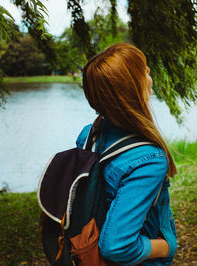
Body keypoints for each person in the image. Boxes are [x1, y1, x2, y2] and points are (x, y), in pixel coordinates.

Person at [76, 43, 178, 265]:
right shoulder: (149, 160)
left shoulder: (89, 134)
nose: (149, 72)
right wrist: (166, 247)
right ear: (132, 87)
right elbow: (116, 246)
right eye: (143, 70)